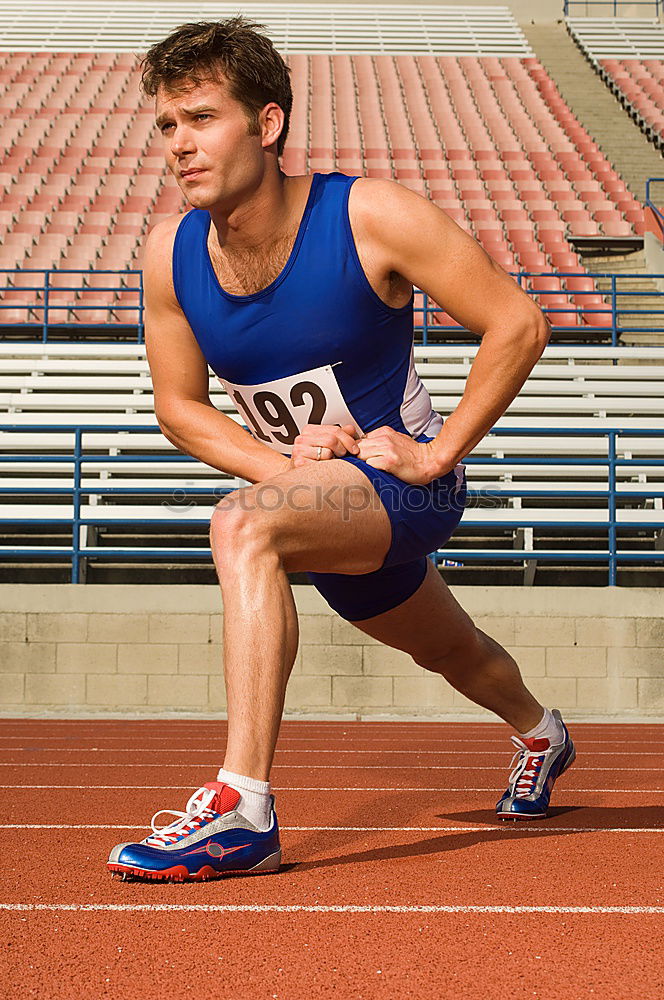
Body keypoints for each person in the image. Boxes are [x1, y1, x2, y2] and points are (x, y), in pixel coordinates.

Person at [107, 17, 575, 882]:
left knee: (243, 527)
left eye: (203, 118)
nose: (179, 144)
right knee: (450, 650)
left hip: (410, 484)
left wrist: (439, 456)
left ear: (268, 123)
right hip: (319, 496)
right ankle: (543, 734)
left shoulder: (369, 213)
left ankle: (242, 809)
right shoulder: (171, 253)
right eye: (168, 125)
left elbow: (518, 322)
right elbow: (179, 407)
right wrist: (291, 468)